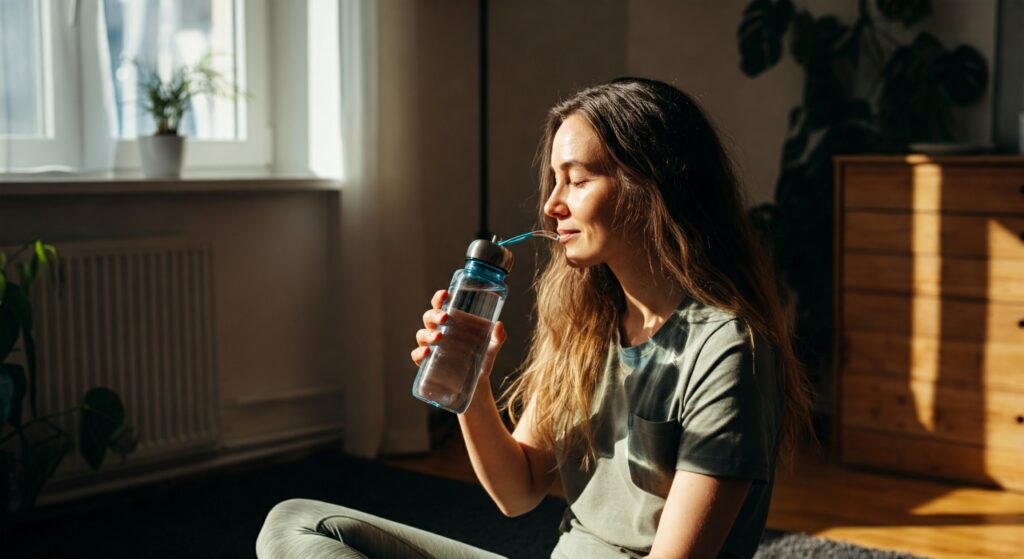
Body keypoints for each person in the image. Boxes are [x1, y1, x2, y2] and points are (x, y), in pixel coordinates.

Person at [256, 77, 813, 559]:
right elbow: (517, 491)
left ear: (654, 186)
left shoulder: (727, 349)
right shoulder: (586, 323)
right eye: (555, 179)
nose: (551, 205)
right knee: (299, 524)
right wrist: (468, 387)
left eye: (578, 178)